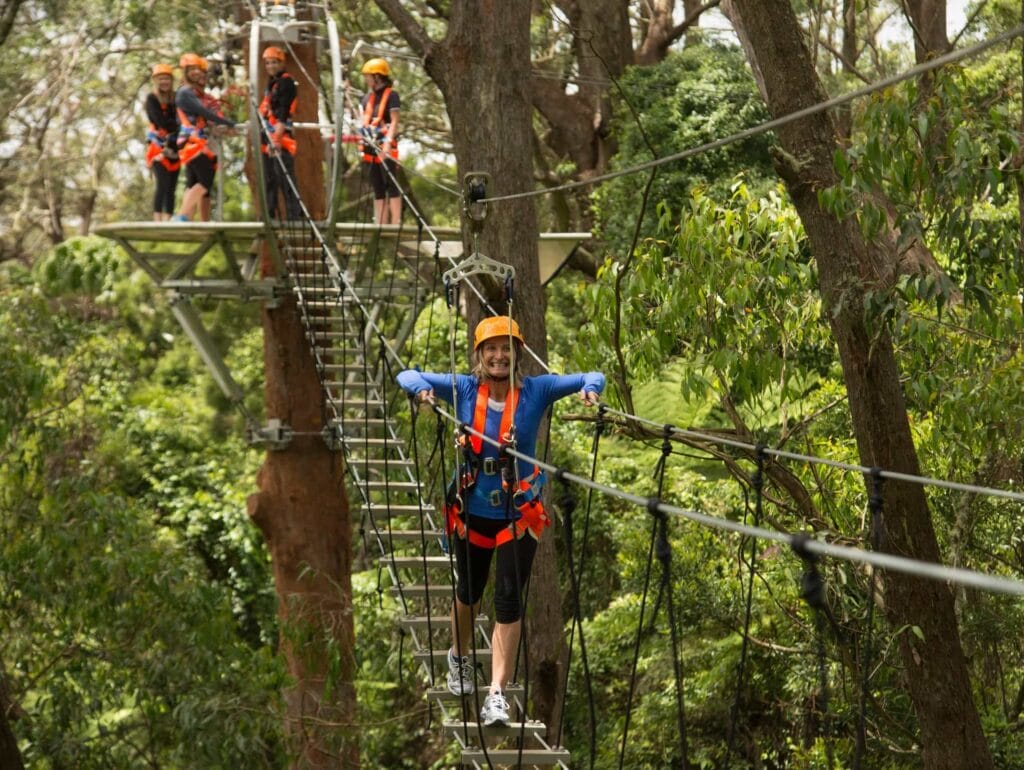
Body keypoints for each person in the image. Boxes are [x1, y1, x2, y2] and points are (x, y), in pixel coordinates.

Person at [396, 316, 604, 727]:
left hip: (518, 515)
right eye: (490, 349)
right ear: (479, 355)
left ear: (517, 353)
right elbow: (407, 373)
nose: (498, 356)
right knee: (469, 593)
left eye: (506, 348)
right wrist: (421, 390)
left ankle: (496, 694)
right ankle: (459, 656)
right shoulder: (462, 388)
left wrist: (590, 390)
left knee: (508, 600)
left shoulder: (537, 390)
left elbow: (592, 375)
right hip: (472, 512)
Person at [173, 53, 237, 222]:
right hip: (191, 141)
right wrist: (230, 123)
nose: (196, 73)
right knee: (205, 180)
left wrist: (223, 126)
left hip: (193, 141)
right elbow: (204, 112)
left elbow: (207, 115)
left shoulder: (190, 93)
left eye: (199, 70)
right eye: (192, 69)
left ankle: (185, 218)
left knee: (194, 182)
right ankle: (181, 216)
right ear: (185, 72)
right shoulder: (185, 92)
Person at [258, 46, 302, 220]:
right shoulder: (272, 83)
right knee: (269, 178)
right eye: (268, 63)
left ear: (282, 63)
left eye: (274, 62)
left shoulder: (286, 82)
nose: (271, 66)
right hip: (267, 134)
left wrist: (276, 139)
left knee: (285, 177)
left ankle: (294, 215)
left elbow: (283, 112)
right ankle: (269, 214)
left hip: (280, 135)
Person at [359, 57, 401, 225]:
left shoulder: (392, 96)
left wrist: (388, 143)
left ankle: (395, 223)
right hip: (370, 145)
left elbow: (394, 121)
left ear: (377, 76)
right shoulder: (366, 99)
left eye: (368, 76)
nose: (366, 79)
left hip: (385, 144)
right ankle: (380, 224)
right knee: (377, 187)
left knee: (391, 184)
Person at [144, 63, 180, 221]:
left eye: (167, 78)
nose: (164, 82)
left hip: (175, 146)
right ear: (156, 81)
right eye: (161, 79)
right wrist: (177, 125)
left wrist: (177, 126)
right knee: (162, 184)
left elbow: (181, 118)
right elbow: (160, 121)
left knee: (172, 187)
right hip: (158, 146)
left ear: (171, 80)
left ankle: (168, 220)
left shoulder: (176, 98)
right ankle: (157, 219)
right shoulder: (151, 99)